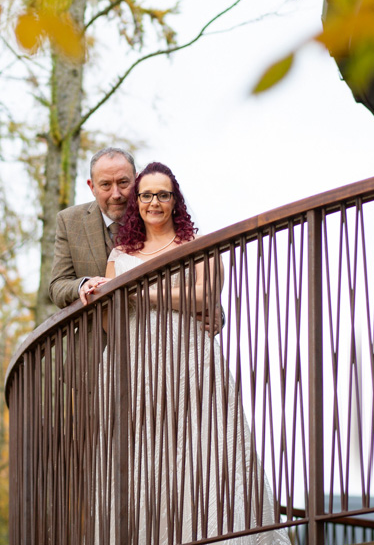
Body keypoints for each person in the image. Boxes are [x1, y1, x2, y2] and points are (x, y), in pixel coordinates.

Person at [97, 162, 289, 545]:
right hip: (133, 363)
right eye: (147, 194)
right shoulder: (121, 253)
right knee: (141, 457)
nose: (154, 202)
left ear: (175, 200)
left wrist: (139, 292)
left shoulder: (199, 246)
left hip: (187, 357)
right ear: (137, 202)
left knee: (203, 448)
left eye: (163, 194)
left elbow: (204, 297)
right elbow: (107, 318)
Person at [48, 147, 136, 309]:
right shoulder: (69, 221)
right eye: (106, 185)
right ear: (92, 187)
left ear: (136, 180)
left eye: (123, 183)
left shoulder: (154, 216)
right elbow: (57, 286)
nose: (116, 194)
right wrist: (83, 285)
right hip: (94, 332)